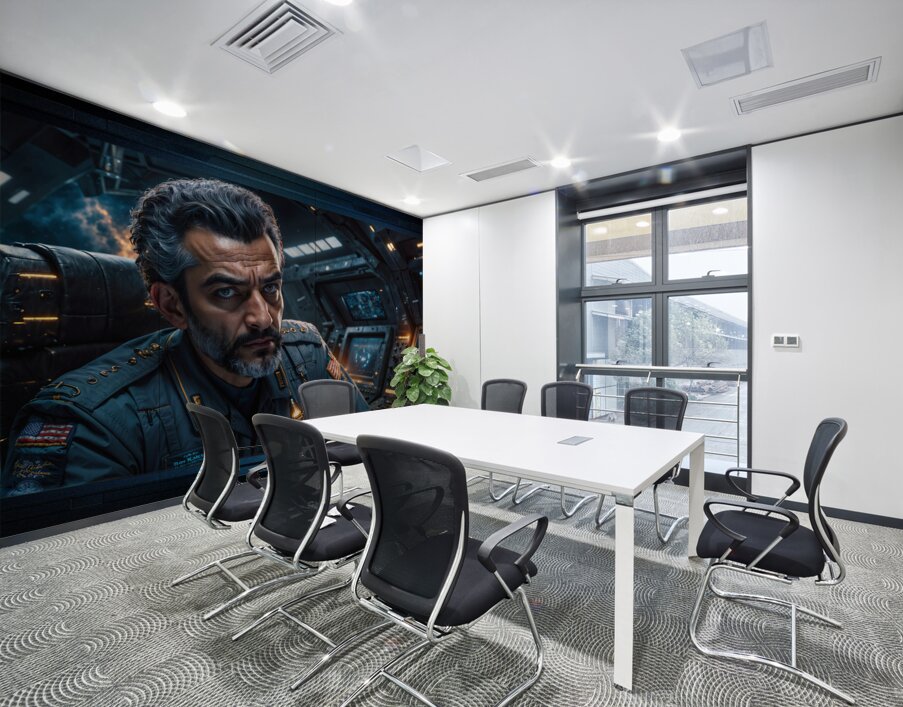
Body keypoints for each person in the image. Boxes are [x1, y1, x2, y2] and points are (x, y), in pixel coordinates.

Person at [3, 178, 367, 495]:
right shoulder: (93, 425)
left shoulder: (307, 353)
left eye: (270, 288)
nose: (262, 317)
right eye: (227, 292)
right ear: (172, 305)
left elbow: (369, 449)